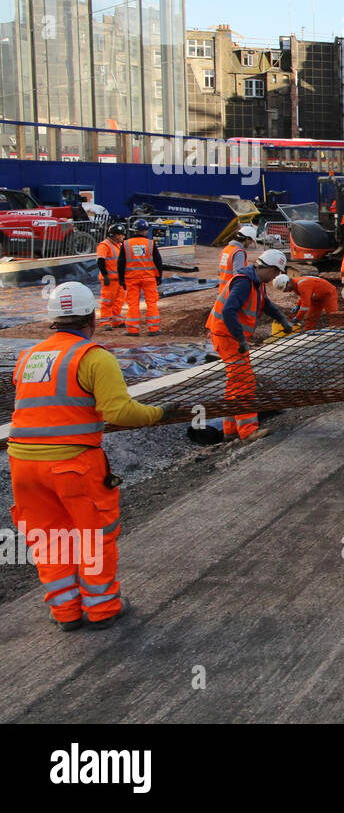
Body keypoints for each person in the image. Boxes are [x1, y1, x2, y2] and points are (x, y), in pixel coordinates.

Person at [8, 282, 177, 630]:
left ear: (53, 320)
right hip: (72, 465)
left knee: (50, 538)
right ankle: (102, 609)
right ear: (93, 318)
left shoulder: (29, 356)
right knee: (93, 536)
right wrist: (160, 414)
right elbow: (119, 412)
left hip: (22, 466)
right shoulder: (95, 357)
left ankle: (66, 612)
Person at [205, 249, 295, 442]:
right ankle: (248, 431)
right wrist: (241, 340)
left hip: (231, 337)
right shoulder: (244, 283)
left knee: (234, 383)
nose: (276, 277)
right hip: (227, 337)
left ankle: (230, 431)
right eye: (276, 273)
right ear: (269, 268)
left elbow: (265, 304)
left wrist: (282, 319)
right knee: (245, 383)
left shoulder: (256, 283)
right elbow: (229, 310)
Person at [117, 218, 163, 336]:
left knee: (133, 304)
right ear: (145, 231)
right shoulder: (151, 243)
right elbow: (158, 261)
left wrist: (121, 280)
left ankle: (132, 330)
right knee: (151, 303)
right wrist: (159, 277)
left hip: (131, 278)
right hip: (149, 278)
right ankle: (154, 329)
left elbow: (121, 263)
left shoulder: (126, 244)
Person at [273, 270, 339, 331]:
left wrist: (297, 318)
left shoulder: (302, 284)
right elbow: (302, 296)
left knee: (334, 316)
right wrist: (297, 306)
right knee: (310, 318)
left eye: (286, 289)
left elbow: (305, 306)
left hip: (328, 295)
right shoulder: (295, 285)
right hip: (315, 298)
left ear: (287, 283)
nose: (287, 291)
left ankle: (337, 332)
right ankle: (308, 332)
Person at [95, 223, 127, 329]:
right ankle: (105, 322)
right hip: (110, 279)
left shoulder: (119, 246)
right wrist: (105, 275)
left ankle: (116, 320)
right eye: (121, 234)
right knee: (108, 300)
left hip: (119, 279)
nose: (123, 236)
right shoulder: (104, 245)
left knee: (119, 300)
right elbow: (100, 261)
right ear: (115, 235)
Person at [218, 224, 259, 290]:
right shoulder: (238, 252)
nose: (251, 243)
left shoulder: (226, 249)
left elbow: (219, 271)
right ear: (247, 238)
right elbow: (238, 276)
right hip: (232, 291)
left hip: (223, 289)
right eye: (251, 241)